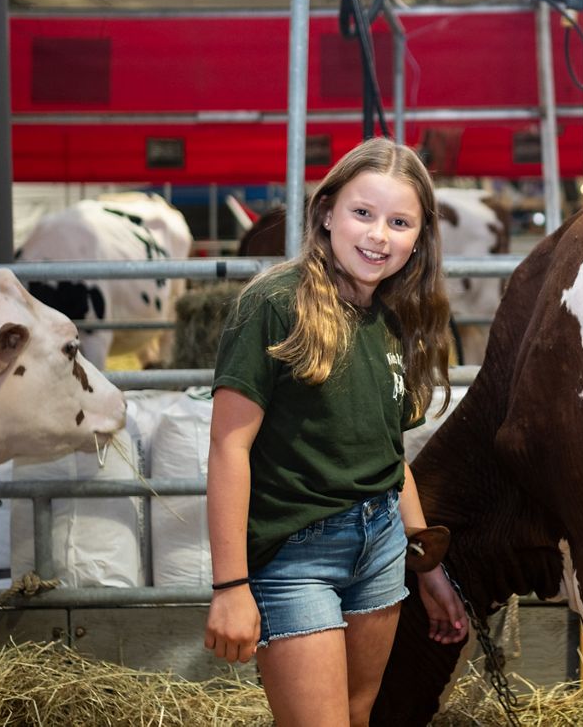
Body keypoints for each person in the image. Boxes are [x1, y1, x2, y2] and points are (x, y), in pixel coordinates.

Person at [204, 137, 469, 726]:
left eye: (400, 222)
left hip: (380, 545)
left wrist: (427, 566)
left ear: (420, 237)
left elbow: (390, 457)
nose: (378, 235)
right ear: (326, 213)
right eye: (363, 213)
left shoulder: (399, 319)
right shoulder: (274, 304)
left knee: (355, 715)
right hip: (297, 552)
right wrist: (230, 586)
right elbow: (229, 446)